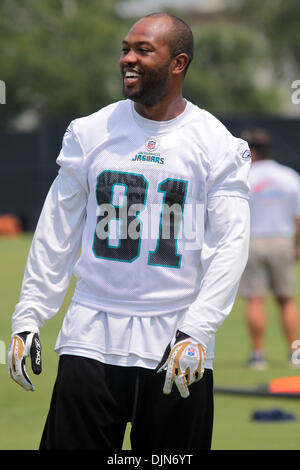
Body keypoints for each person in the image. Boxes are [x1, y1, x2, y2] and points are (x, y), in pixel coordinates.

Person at [8, 12, 251, 451]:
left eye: (143, 50)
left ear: (178, 63)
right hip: (91, 332)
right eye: (125, 49)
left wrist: (198, 328)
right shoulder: (91, 131)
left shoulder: (216, 144)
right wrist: (29, 314)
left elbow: (230, 245)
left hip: (177, 337)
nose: (127, 59)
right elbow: (56, 230)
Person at [239, 128, 300, 370]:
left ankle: (258, 355)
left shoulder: (244, 177)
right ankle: (295, 353)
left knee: (255, 300)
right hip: (281, 240)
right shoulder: (289, 176)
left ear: (251, 152)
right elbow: (298, 217)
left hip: (252, 241)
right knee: (286, 299)